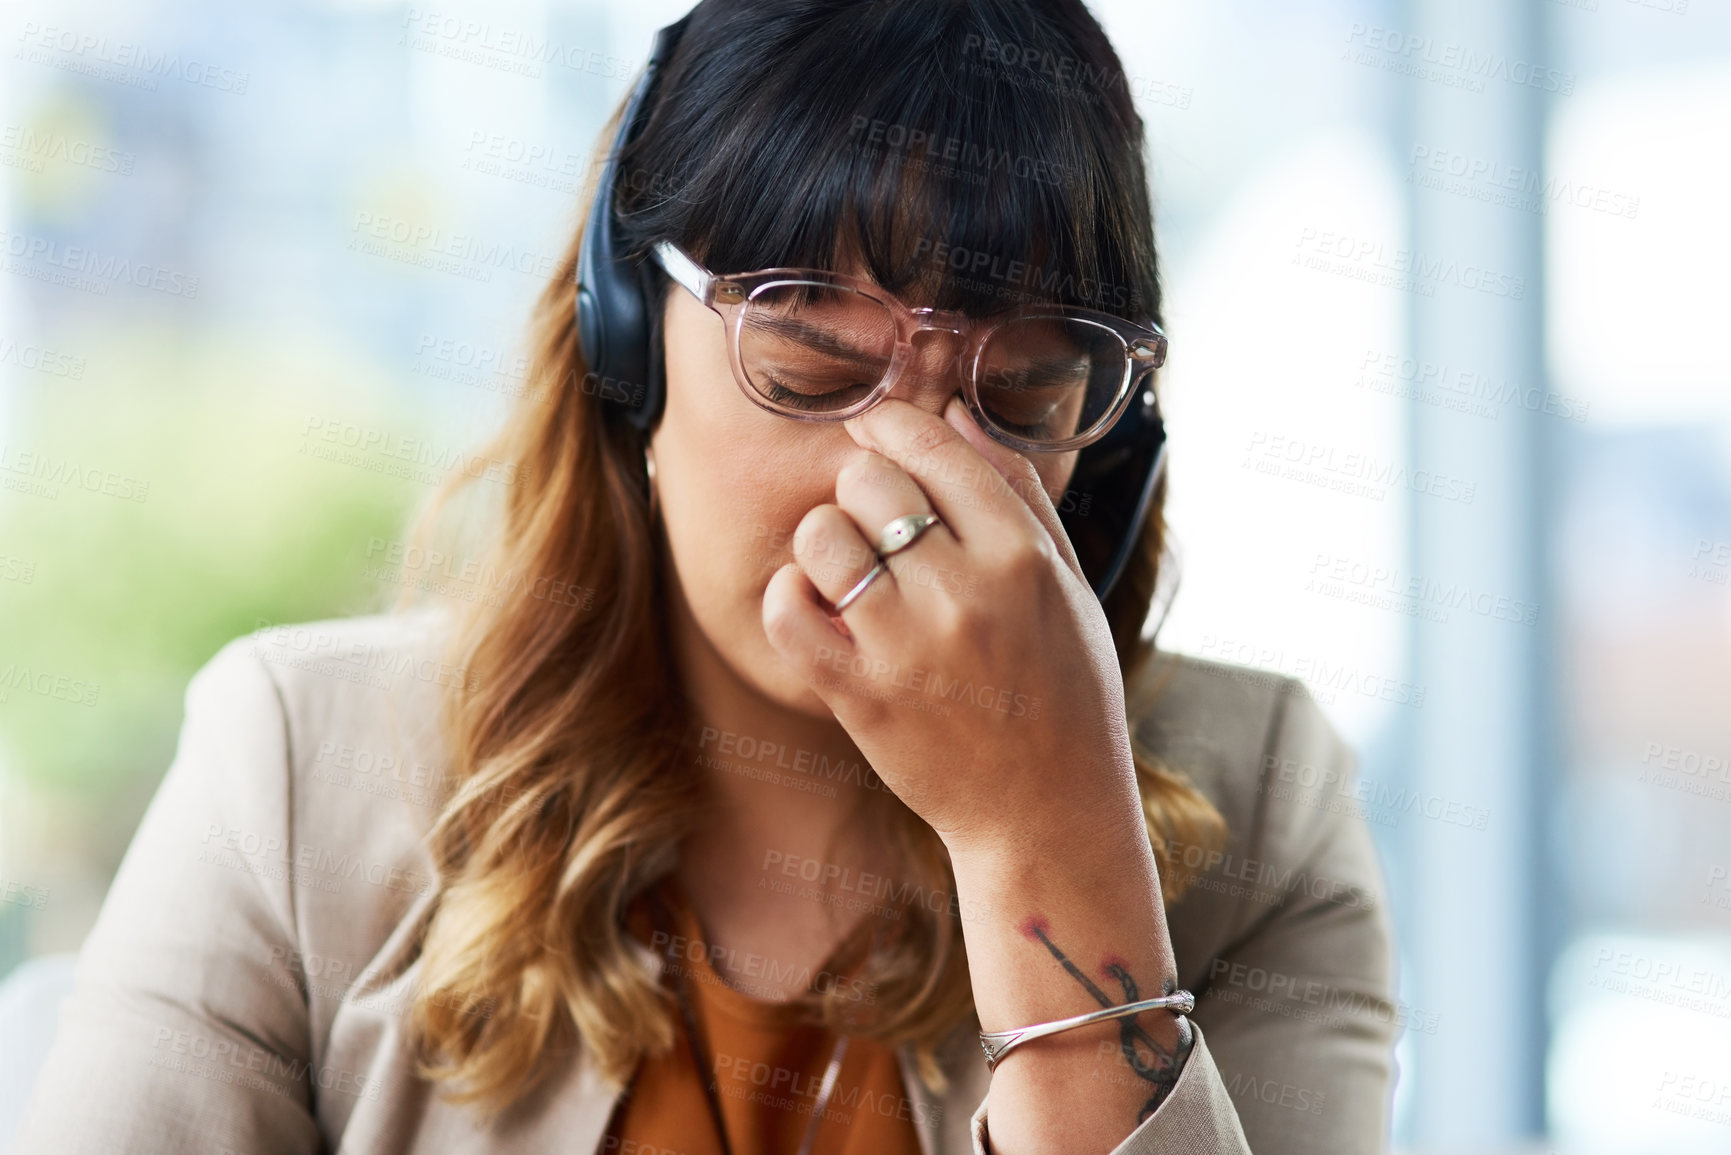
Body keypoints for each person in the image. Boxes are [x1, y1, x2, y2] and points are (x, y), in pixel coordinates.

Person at [16, 1, 1399, 1152]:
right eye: (808, 368)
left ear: (1106, 446)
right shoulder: (295, 767)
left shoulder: (1265, 801)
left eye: (1022, 396)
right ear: (628, 343)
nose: (898, 480)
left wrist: (1050, 849)